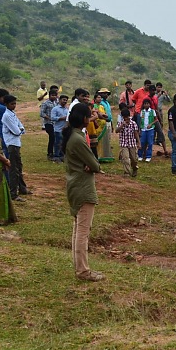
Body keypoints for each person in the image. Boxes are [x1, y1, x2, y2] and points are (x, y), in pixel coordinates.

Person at [63, 102, 104, 282]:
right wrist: (91, 166)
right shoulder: (78, 139)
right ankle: (83, 271)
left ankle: (80, 267)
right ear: (84, 119)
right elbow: (95, 164)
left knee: (78, 230)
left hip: (74, 186)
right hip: (83, 188)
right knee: (83, 232)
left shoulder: (72, 135)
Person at [1, 95, 30, 201]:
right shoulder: (6, 116)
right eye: (12, 104)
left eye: (15, 103)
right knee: (13, 168)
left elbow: (21, 126)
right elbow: (16, 130)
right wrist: (20, 129)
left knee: (19, 166)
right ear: (6, 104)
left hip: (16, 143)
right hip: (12, 144)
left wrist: (20, 129)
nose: (14, 105)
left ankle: (22, 188)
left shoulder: (13, 114)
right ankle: (13, 193)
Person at [116, 108, 140, 177]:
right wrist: (122, 126)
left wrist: (139, 142)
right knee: (125, 158)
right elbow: (116, 131)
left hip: (132, 143)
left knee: (134, 159)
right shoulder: (120, 123)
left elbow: (136, 133)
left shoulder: (133, 123)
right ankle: (127, 172)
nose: (126, 118)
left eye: (127, 117)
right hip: (124, 144)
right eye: (124, 117)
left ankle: (134, 168)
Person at [149, 85, 169, 157]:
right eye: (152, 90)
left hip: (155, 117)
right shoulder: (147, 98)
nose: (154, 91)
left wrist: (160, 118)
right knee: (149, 134)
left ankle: (165, 150)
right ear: (149, 91)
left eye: (154, 90)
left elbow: (157, 108)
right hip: (149, 118)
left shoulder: (155, 98)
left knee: (160, 132)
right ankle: (147, 151)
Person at [97, 88, 115, 163]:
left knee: (108, 139)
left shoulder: (107, 103)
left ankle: (106, 155)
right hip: (102, 123)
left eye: (107, 93)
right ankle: (101, 156)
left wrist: (112, 124)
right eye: (104, 93)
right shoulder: (100, 103)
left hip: (108, 122)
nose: (106, 95)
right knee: (102, 139)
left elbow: (109, 114)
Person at [51, 94, 70, 162]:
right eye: (63, 100)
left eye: (66, 100)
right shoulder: (55, 109)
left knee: (64, 143)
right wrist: (62, 118)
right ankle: (56, 156)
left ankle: (62, 156)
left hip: (65, 129)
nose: (65, 101)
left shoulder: (67, 109)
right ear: (59, 100)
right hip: (58, 129)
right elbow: (52, 118)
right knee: (58, 143)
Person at [40, 89, 58, 159]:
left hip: (55, 123)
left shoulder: (56, 103)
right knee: (52, 137)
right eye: (52, 95)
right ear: (49, 95)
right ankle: (50, 153)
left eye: (55, 95)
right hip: (48, 123)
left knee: (56, 138)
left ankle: (55, 152)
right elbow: (42, 113)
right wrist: (49, 117)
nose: (54, 97)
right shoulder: (45, 103)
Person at [138, 98, 157, 162]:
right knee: (142, 142)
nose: (146, 105)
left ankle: (148, 156)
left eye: (147, 104)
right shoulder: (142, 112)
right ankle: (140, 155)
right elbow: (140, 121)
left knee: (150, 143)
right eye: (145, 104)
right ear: (143, 105)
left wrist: (151, 124)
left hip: (150, 129)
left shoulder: (152, 111)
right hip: (143, 129)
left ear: (149, 104)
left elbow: (156, 119)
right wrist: (140, 129)